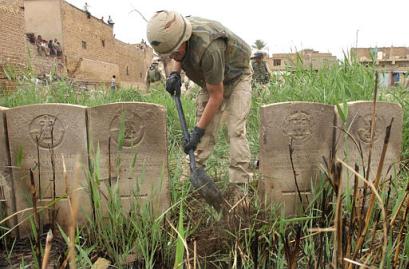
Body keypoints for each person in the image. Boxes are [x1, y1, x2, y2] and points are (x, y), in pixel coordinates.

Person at [147, 11, 254, 192]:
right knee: (205, 130)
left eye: (174, 53)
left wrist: (197, 131)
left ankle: (239, 186)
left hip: (237, 77)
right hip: (210, 78)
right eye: (169, 54)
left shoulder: (209, 47)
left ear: (185, 39)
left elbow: (217, 96)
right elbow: (178, 52)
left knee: (235, 131)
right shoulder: (175, 29)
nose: (173, 57)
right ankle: (190, 176)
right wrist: (174, 73)